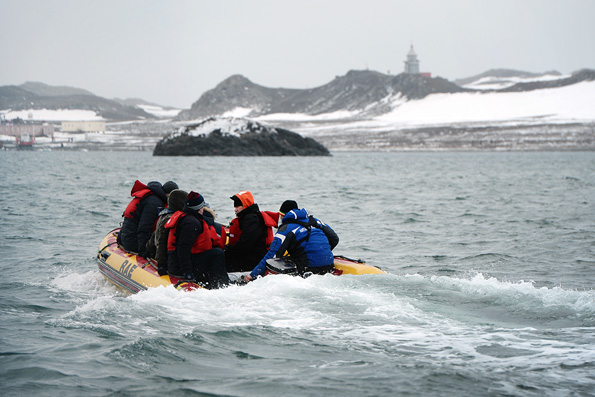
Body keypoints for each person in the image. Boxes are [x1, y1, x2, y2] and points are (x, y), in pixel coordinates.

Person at [243, 201, 338, 282]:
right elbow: (334, 239)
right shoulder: (315, 221)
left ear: (282, 215)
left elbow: (272, 255)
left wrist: (252, 275)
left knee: (282, 259)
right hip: (329, 266)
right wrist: (321, 253)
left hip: (309, 269)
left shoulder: (286, 228)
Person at [165, 191, 229, 289]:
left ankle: (214, 282)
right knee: (217, 253)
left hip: (184, 260)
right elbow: (183, 248)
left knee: (213, 254)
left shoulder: (188, 218)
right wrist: (187, 272)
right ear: (199, 208)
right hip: (180, 266)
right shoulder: (191, 224)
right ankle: (223, 285)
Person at [118, 180, 177, 257]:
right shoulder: (154, 203)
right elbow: (144, 227)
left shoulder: (151, 197)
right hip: (132, 242)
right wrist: (143, 251)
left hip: (126, 238)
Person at [224, 191, 279, 272]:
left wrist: (227, 253)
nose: (235, 210)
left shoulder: (253, 220)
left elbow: (245, 243)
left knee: (222, 261)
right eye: (235, 207)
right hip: (249, 255)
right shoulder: (247, 218)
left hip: (255, 259)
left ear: (245, 205)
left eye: (238, 206)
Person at [145, 188, 187, 276]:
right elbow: (162, 241)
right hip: (167, 258)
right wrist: (161, 264)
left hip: (158, 253)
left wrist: (147, 250)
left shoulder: (164, 215)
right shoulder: (170, 219)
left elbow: (155, 236)